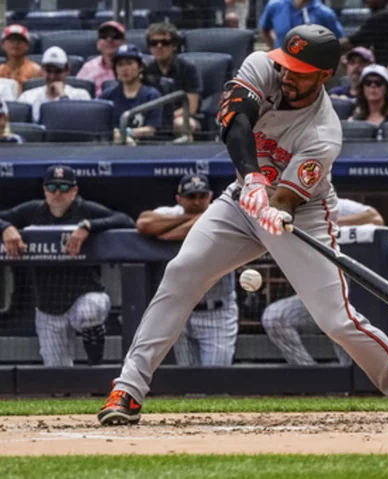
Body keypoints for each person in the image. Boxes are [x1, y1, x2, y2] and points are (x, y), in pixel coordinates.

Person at [97, 25, 388, 426]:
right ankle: (128, 389)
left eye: (300, 71)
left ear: (324, 75)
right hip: (241, 198)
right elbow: (234, 121)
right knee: (181, 272)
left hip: (300, 211)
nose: (288, 76)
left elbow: (287, 197)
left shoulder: (324, 132)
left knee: (335, 319)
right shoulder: (262, 66)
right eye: (287, 66)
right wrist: (253, 178)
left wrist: (277, 204)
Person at [0, 165, 135, 367]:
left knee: (90, 312)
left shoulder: (84, 209)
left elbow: (125, 220)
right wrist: (6, 227)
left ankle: (95, 366)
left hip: (84, 295)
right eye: (52, 187)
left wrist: (89, 226)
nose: (57, 193)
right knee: (58, 380)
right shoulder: (33, 210)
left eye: (64, 188)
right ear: (44, 189)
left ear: (74, 191)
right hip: (47, 306)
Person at [261, 198, 383, 365]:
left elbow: (376, 219)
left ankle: (348, 380)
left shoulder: (334, 205)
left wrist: (329, 224)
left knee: (340, 319)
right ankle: (309, 375)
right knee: (273, 317)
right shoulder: (281, 215)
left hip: (350, 296)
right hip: (313, 297)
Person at [136, 174, 239, 366]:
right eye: (192, 197)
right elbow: (144, 223)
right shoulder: (173, 211)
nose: (198, 201)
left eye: (202, 196)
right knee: (188, 385)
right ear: (179, 199)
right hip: (181, 312)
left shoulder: (224, 214)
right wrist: (192, 217)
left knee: (215, 383)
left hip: (216, 312)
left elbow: (186, 231)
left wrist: (174, 228)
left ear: (210, 196)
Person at [143, 22, 203, 136]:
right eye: (154, 43)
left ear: (174, 45)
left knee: (181, 124)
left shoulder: (188, 68)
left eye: (165, 42)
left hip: (182, 117)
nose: (159, 46)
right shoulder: (145, 70)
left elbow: (191, 107)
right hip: (153, 118)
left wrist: (165, 118)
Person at [100, 44, 162, 145]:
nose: (125, 69)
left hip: (145, 147)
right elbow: (100, 126)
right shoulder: (107, 95)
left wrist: (126, 133)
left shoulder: (151, 95)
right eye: (120, 64)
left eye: (129, 63)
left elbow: (151, 129)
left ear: (140, 67)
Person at [17, 47, 91, 123]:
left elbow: (78, 124)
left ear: (67, 71)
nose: (52, 77)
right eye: (48, 71)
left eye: (58, 71)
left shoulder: (81, 96)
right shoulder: (27, 97)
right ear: (42, 70)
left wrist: (63, 97)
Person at [259, 0, 345, 50]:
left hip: (310, 67)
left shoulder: (324, 13)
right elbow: (264, 28)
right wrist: (275, 48)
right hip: (281, 63)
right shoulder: (275, 6)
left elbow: (339, 40)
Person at [77, 21, 126, 97]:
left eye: (115, 36)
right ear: (98, 44)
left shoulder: (133, 67)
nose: (109, 39)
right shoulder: (88, 68)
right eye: (104, 36)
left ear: (124, 42)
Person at [0, 25, 43, 94]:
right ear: (3, 45)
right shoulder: (0, 71)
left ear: (27, 46)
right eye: (11, 40)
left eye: (20, 40)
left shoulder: (36, 71)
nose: (15, 43)